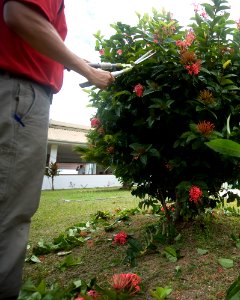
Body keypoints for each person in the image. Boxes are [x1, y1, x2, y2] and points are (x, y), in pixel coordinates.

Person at [0, 1, 114, 298]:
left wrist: (81, 63)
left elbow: (34, 33)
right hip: (19, 96)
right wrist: (89, 74)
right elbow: (20, 14)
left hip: (14, 93)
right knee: (10, 212)